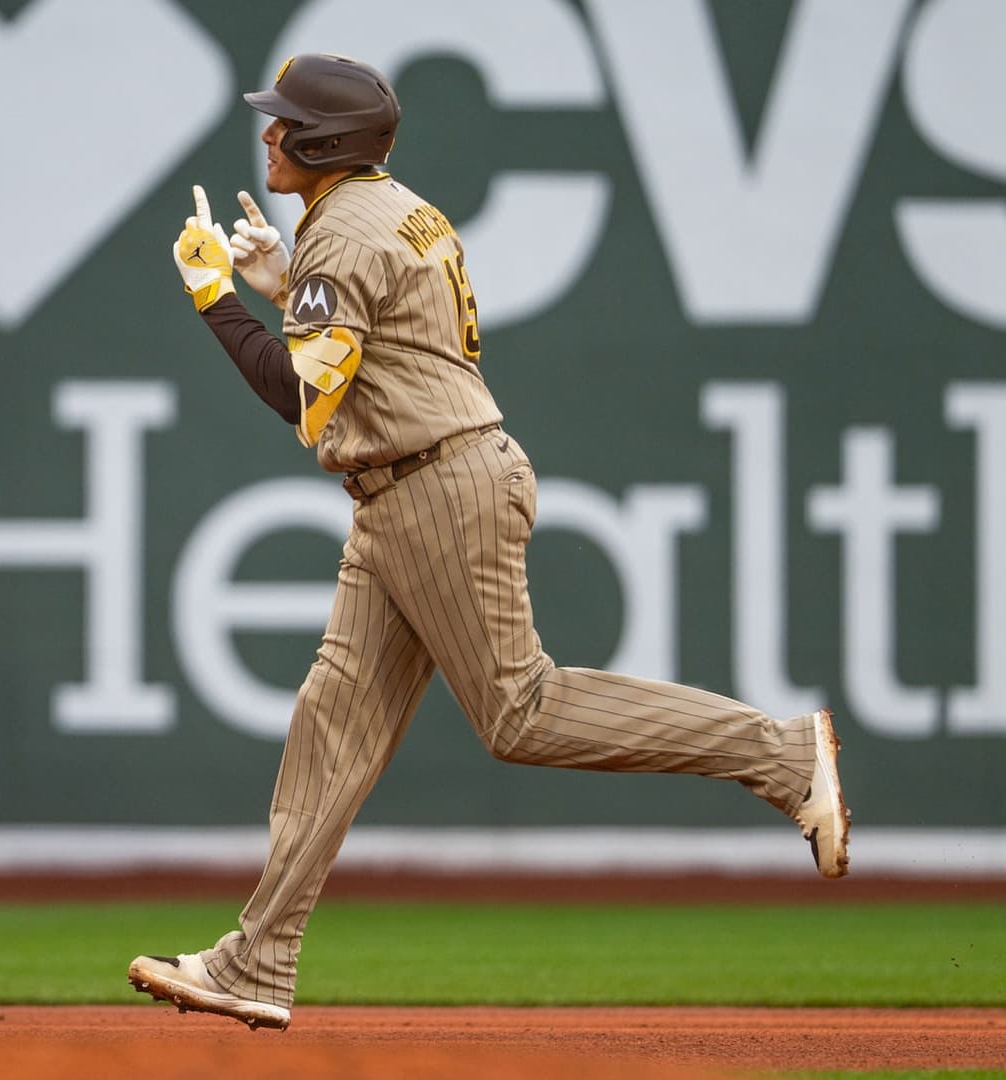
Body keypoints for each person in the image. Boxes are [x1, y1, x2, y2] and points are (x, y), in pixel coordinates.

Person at [130, 53, 849, 1032]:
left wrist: (217, 296)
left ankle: (780, 755)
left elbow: (303, 398)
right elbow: (390, 341)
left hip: (433, 489)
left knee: (521, 712)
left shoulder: (339, 234)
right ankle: (257, 960)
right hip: (414, 485)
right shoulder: (395, 210)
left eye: (285, 122)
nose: (269, 135)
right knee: (331, 726)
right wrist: (284, 283)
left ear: (325, 142)